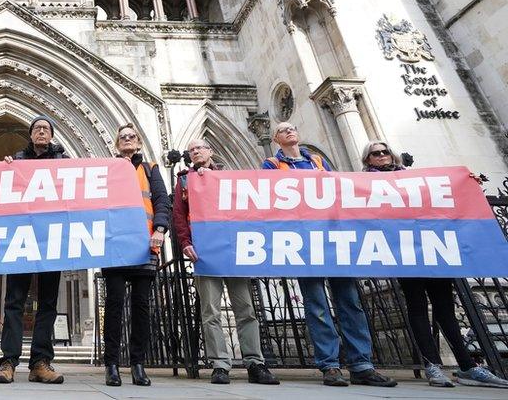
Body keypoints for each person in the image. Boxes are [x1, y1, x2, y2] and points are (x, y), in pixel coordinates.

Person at [361, 141, 508, 389]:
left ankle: (468, 366)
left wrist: (466, 183)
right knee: (417, 308)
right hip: (403, 251)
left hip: (433, 247)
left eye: (386, 151)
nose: (383, 156)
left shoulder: (413, 179)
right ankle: (433, 366)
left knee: (445, 308)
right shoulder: (362, 184)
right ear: (368, 160)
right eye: (376, 153)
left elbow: (442, 193)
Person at [262, 122, 396, 387]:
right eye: (283, 130)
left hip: (334, 239)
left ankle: (362, 364)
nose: (290, 131)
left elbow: (341, 191)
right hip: (302, 242)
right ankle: (330, 365)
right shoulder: (271, 165)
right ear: (276, 139)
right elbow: (269, 198)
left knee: (350, 301)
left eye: (292, 128)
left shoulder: (318, 161)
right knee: (316, 304)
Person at [172, 139, 279, 385]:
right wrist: (185, 242)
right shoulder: (185, 180)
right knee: (210, 311)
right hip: (205, 252)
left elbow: (246, 207)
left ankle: (255, 363)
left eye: (200, 147)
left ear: (211, 150)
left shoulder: (229, 177)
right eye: (192, 150)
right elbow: (179, 214)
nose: (196, 151)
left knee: (246, 309)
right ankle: (220, 365)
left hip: (233, 251)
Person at [0, 116, 67, 385]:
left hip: (52, 239)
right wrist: (6, 170)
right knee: (14, 301)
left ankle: (40, 362)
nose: (41, 132)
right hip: (20, 240)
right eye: (36, 129)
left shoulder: (64, 163)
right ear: (31, 134)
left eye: (46, 129)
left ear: (52, 135)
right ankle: (9, 362)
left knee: (47, 303)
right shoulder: (18, 161)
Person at [101, 124, 168, 387]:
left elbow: (162, 200)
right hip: (116, 246)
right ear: (117, 144)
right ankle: (112, 364)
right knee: (114, 305)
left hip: (145, 244)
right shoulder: (107, 169)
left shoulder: (151, 169)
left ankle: (138, 364)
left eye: (131, 136)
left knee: (141, 307)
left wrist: (161, 229)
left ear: (138, 142)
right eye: (122, 137)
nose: (127, 140)